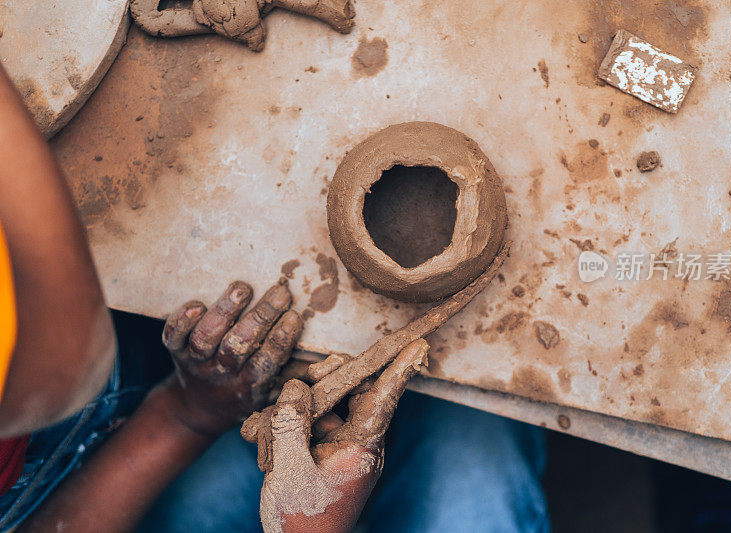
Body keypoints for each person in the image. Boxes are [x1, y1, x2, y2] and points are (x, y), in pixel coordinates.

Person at [0, 60, 550, 532]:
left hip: (131, 421)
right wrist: (307, 518)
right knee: (473, 477)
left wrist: (183, 410)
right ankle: (442, 412)